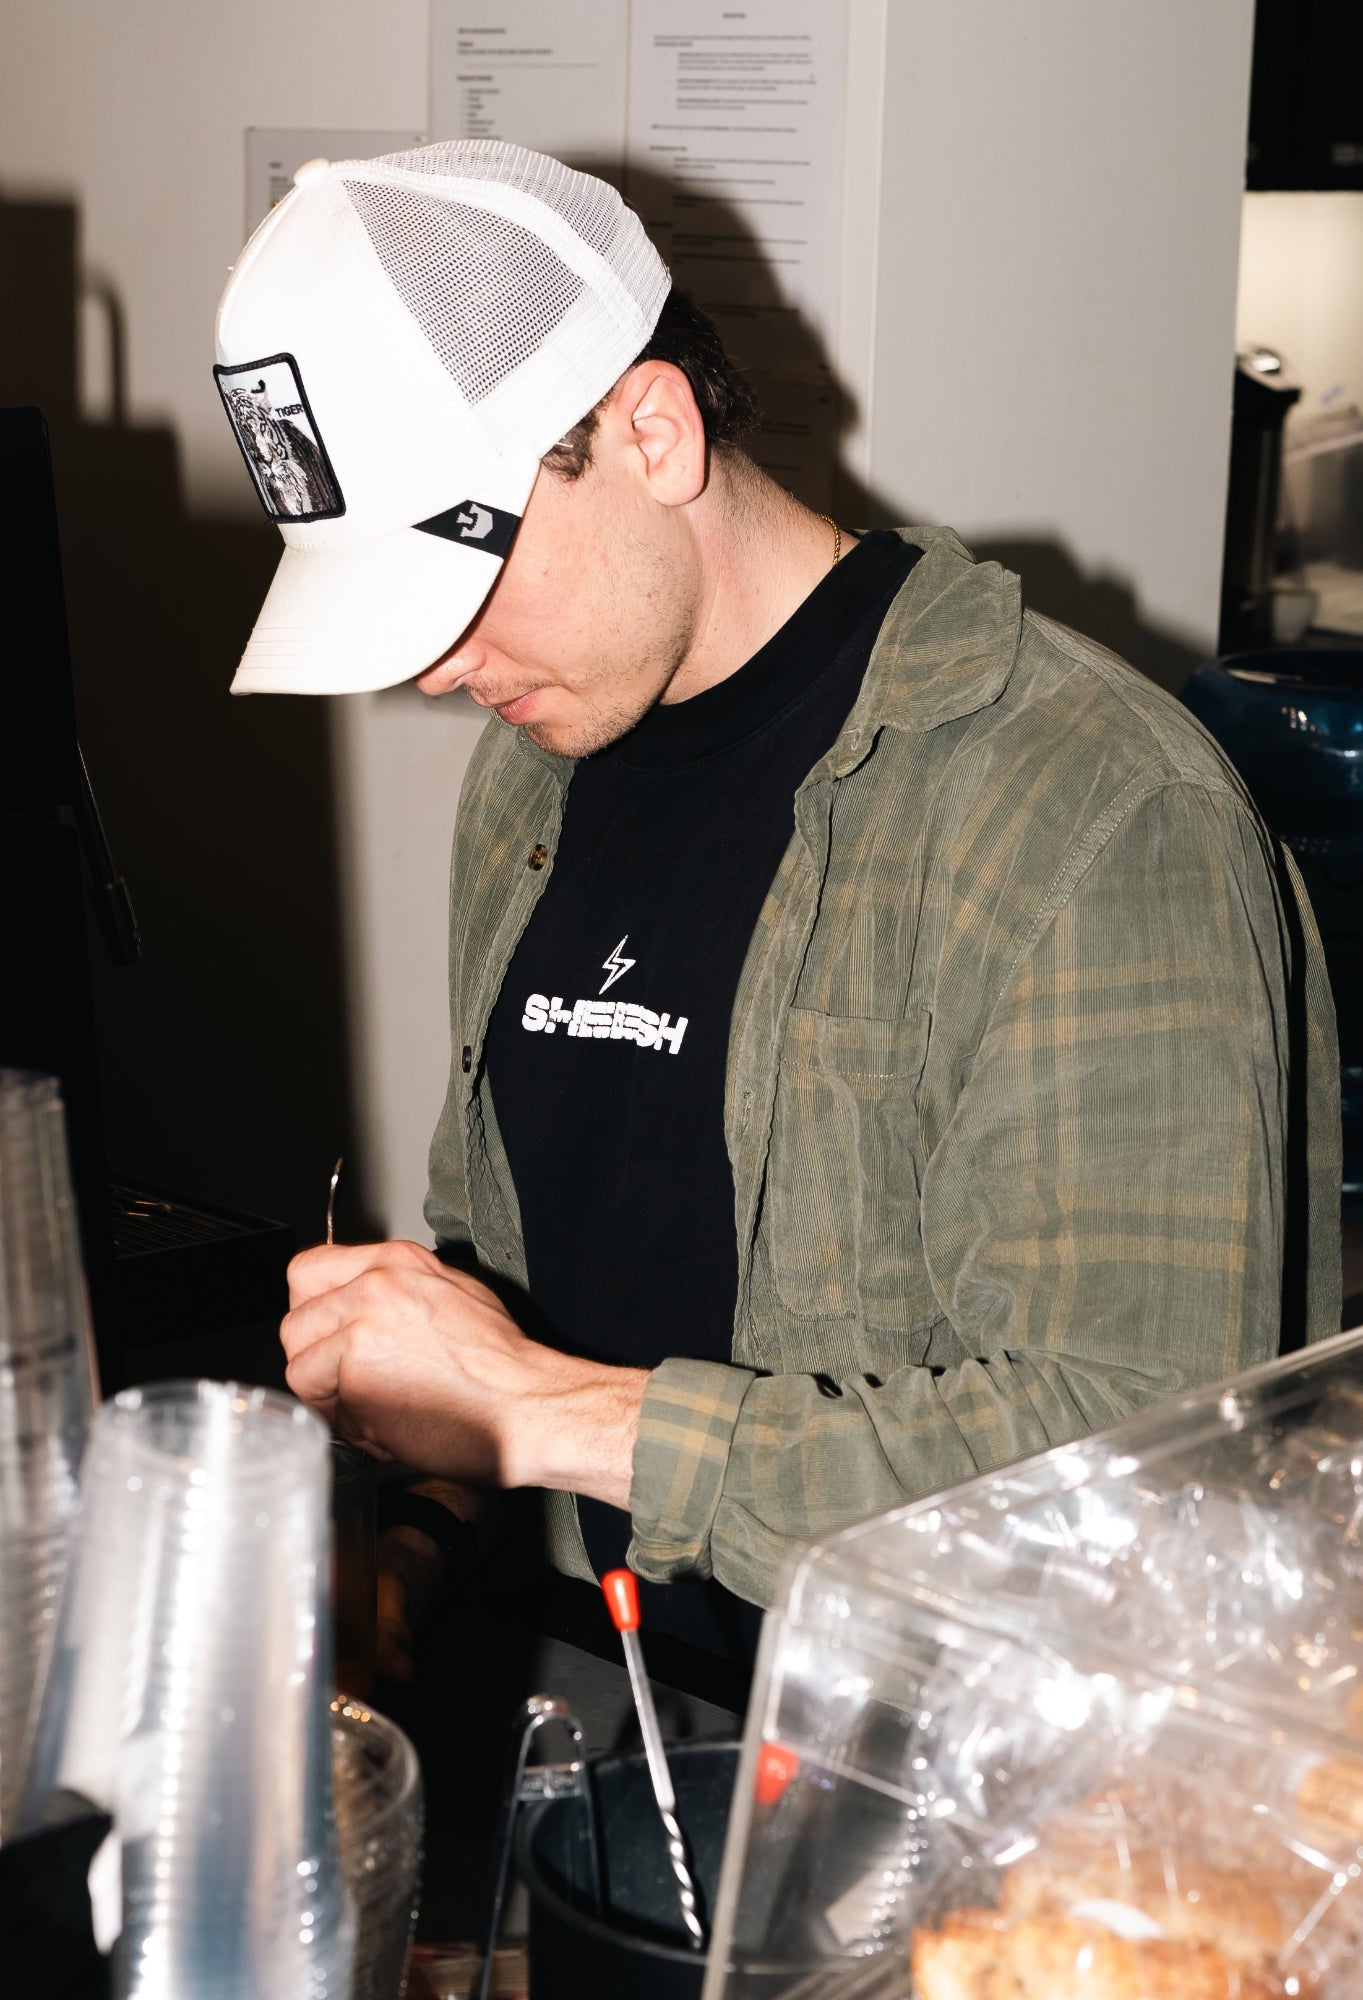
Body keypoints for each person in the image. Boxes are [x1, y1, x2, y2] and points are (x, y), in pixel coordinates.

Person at [216, 142, 1340, 1687]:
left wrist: (541, 1405)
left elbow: (1125, 1481)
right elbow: (511, 1277)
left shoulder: (1089, 810)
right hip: (606, 1726)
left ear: (653, 428)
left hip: (944, 1804)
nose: (430, 668)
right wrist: (414, 1537)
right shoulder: (529, 786)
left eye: (456, 583)